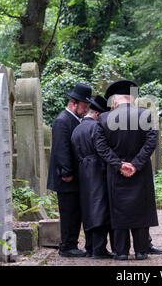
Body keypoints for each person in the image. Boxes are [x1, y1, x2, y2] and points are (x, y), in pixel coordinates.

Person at [95, 80, 159, 260]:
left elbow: (101, 147)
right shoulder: (145, 114)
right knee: (140, 208)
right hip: (140, 172)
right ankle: (141, 251)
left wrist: (119, 164)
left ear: (114, 101)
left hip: (116, 174)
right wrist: (136, 164)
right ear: (131, 99)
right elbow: (151, 142)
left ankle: (121, 252)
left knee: (119, 209)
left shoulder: (103, 118)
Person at [47, 83, 91, 257]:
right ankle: (66, 246)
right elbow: (61, 149)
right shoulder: (62, 121)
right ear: (74, 103)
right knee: (69, 213)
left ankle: (71, 244)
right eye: (85, 106)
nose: (86, 109)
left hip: (73, 176)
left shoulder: (73, 119)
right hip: (65, 178)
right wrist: (66, 172)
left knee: (75, 212)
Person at [71, 95, 115, 259]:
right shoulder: (96, 127)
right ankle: (99, 249)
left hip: (83, 171)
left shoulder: (78, 128)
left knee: (89, 209)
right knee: (100, 209)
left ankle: (90, 247)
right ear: (98, 114)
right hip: (97, 170)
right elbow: (101, 149)